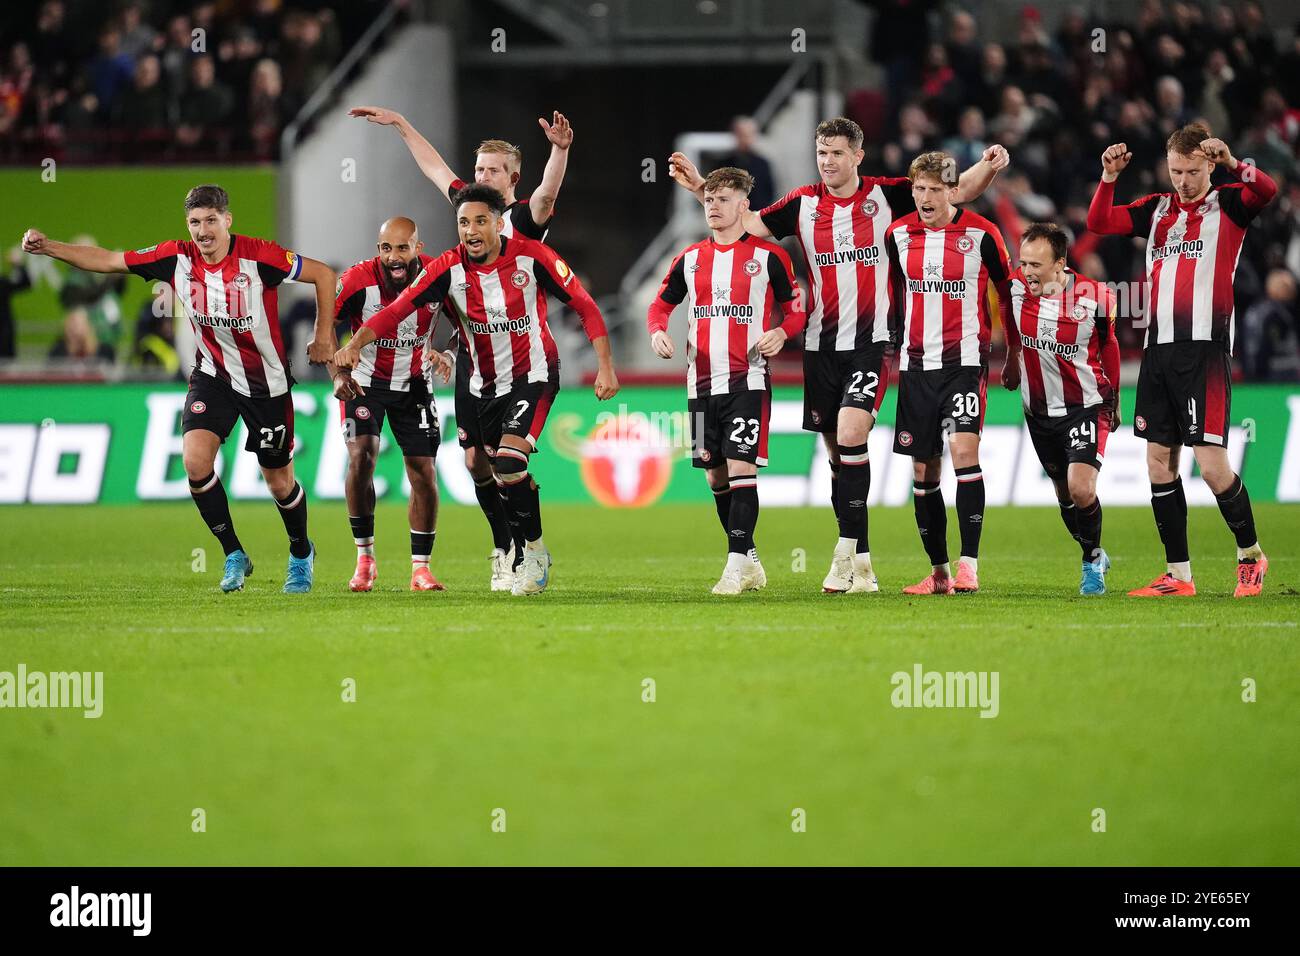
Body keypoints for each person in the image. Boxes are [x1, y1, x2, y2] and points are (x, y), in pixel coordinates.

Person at [670, 117, 1008, 594]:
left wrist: (988, 166)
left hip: (872, 341)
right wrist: (706, 189)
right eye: (821, 152)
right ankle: (863, 562)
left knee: (853, 429)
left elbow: (954, 191)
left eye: (836, 153)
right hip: (820, 343)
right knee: (837, 453)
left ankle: (844, 552)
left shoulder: (887, 195)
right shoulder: (802, 204)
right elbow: (743, 221)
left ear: (857, 157)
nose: (827, 162)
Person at [22, 184, 338, 593]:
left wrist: (324, 334)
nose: (203, 231)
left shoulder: (260, 256)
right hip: (213, 377)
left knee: (278, 481)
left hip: (265, 384)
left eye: (210, 220)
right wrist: (50, 247)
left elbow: (323, 274)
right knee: (194, 463)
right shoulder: (175, 257)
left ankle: (300, 552)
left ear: (228, 220)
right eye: (194, 222)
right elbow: (109, 260)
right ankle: (233, 554)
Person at [332, 184, 619, 596]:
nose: (470, 229)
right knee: (486, 468)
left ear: (499, 223)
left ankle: (533, 552)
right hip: (482, 385)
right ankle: (509, 547)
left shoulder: (533, 258)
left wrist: (605, 366)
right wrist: (356, 344)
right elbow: (397, 310)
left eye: (480, 220)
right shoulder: (447, 268)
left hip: (533, 375)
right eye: (463, 222)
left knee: (508, 463)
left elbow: (585, 306)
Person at [349, 104, 573, 578]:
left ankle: (525, 550)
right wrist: (404, 125)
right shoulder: (470, 211)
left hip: (519, 359)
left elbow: (548, 193)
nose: (483, 176)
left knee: (506, 457)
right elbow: (435, 168)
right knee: (474, 461)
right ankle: (504, 547)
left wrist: (558, 151)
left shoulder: (523, 221)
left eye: (493, 170)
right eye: (478, 169)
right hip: (474, 356)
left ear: (513, 178)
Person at [1087, 124, 1278, 597]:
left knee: (1212, 466)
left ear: (1209, 165)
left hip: (1204, 349)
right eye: (1176, 171)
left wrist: (1235, 163)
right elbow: (1099, 223)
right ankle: (1179, 575)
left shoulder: (1231, 203)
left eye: (1193, 171)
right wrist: (1108, 177)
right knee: (1158, 464)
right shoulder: (1156, 209)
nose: (1184, 181)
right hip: (1158, 351)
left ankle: (1250, 555)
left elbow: (1268, 189)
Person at [647, 167, 805, 594]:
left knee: (741, 468)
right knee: (715, 478)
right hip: (699, 385)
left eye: (722, 200)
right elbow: (659, 306)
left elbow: (796, 310)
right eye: (708, 200)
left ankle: (734, 565)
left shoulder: (770, 257)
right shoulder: (690, 258)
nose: (713, 207)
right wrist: (658, 330)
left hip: (746, 380)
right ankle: (749, 555)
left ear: (743, 205)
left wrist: (781, 332)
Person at [883, 150, 1021, 595]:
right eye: (918, 189)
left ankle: (969, 566)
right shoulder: (897, 234)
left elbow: (1007, 290)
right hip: (916, 366)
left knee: (964, 453)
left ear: (952, 191)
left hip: (965, 362)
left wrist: (1014, 353)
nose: (924, 197)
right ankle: (939, 572)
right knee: (924, 471)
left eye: (934, 189)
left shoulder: (982, 234)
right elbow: (895, 293)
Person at [332, 217, 446, 593]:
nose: (394, 257)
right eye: (386, 248)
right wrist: (338, 374)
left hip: (414, 383)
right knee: (361, 456)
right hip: (363, 384)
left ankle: (421, 568)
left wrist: (448, 352)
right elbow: (324, 322)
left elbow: (469, 319)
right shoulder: (356, 280)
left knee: (423, 472)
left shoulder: (438, 274)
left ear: (418, 246)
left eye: (402, 247)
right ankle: (365, 559)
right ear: (377, 249)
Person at [1010, 222, 1121, 594]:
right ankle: (1094, 550)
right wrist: (1011, 360)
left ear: (1060, 264)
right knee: (1064, 494)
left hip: (1085, 405)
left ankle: (1091, 566)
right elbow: (1011, 330)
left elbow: (1110, 346)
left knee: (1081, 487)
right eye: (1023, 263)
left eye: (1035, 265)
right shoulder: (1013, 289)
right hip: (1038, 411)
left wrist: (1115, 398)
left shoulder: (1096, 297)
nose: (1027, 272)